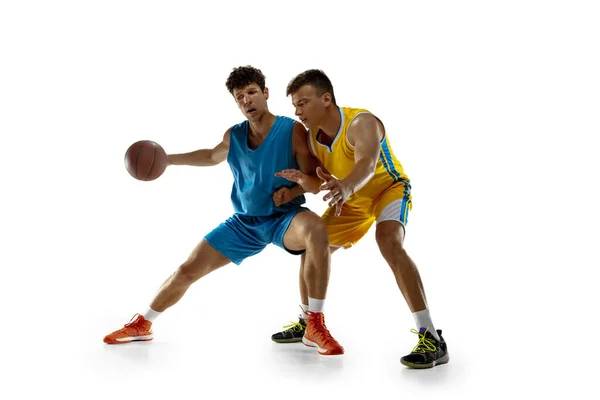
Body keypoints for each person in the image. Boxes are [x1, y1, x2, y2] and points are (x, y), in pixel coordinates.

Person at [103, 66, 344, 356]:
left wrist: (292, 191)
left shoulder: (291, 130)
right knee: (187, 270)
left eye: (252, 92)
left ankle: (314, 323)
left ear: (265, 94)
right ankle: (142, 323)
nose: (247, 101)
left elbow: (316, 182)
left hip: (284, 218)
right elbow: (210, 156)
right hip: (244, 223)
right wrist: (167, 160)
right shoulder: (235, 135)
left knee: (316, 229)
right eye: (239, 97)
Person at [270, 69, 448, 368]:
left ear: (326, 99)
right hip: (350, 201)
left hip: (387, 190)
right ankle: (308, 321)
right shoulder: (312, 137)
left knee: (388, 241)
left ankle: (430, 336)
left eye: (303, 102)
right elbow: (317, 183)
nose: (297, 111)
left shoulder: (361, 121)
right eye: (295, 106)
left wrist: (346, 185)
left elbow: (366, 163)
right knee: (314, 245)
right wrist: (296, 186)